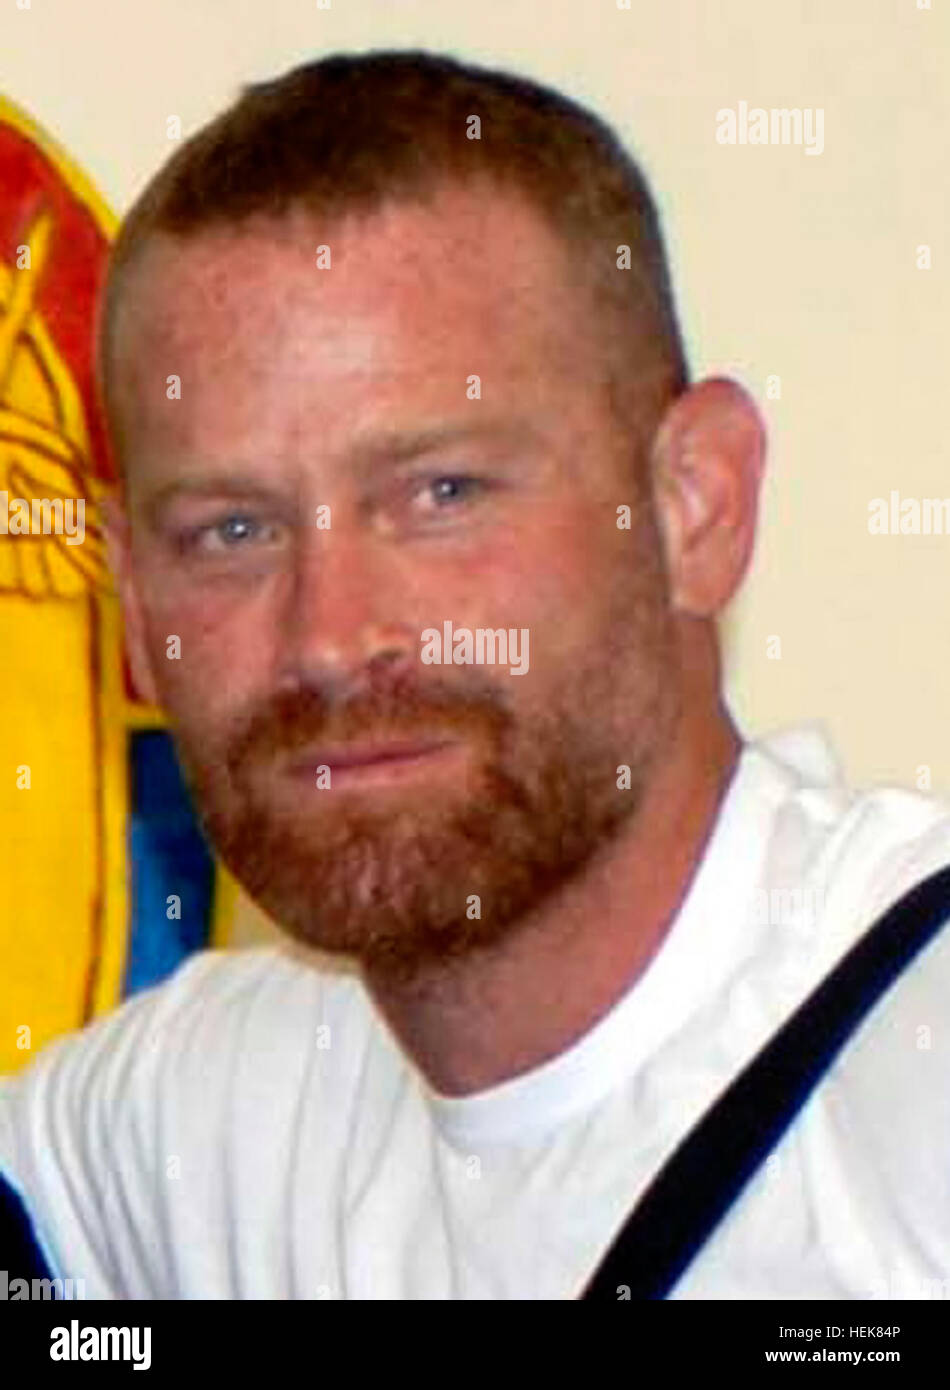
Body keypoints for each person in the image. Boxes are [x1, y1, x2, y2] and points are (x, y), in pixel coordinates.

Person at [2, 49, 949, 1301]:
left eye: (440, 494)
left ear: (693, 508)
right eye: (231, 530)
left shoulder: (909, 1080)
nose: (331, 637)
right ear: (130, 600)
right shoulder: (173, 1132)